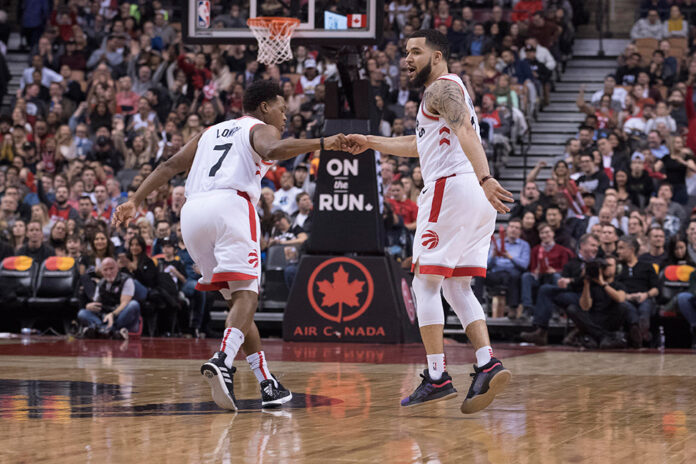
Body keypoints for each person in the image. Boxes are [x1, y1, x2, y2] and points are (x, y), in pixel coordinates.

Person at [113, 80, 350, 410]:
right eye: (282, 109)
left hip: (192, 214)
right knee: (248, 294)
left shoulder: (209, 132)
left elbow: (169, 166)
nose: (285, 116)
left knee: (239, 301)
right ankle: (223, 360)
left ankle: (267, 382)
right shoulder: (259, 128)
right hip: (231, 206)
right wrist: (324, 143)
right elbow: (272, 150)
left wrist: (135, 200)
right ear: (265, 107)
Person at [346, 30, 513, 414]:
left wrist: (486, 177)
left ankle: (437, 376)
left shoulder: (440, 88)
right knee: (456, 286)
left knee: (424, 282)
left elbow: (465, 130)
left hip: (452, 189)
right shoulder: (443, 95)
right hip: (472, 195)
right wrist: (371, 142)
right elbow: (418, 144)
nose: (407, 58)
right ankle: (487, 363)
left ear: (437, 56)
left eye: (416, 52)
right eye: (406, 52)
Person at [564, 256, 628, 349]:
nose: (606, 268)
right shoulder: (592, 285)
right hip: (592, 320)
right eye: (603, 266)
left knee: (623, 306)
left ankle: (595, 337)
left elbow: (620, 299)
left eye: (609, 265)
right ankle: (604, 337)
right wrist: (586, 284)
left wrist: (603, 284)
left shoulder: (619, 285)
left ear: (616, 268)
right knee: (572, 309)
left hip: (609, 320)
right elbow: (585, 307)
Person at [77, 257, 140, 340]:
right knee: (82, 313)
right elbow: (97, 304)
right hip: (106, 316)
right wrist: (89, 306)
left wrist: (112, 314)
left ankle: (101, 329)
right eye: (105, 270)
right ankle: (110, 331)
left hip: (120, 315)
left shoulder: (127, 280)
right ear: (101, 271)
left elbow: (124, 303)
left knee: (133, 305)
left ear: (117, 268)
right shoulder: (100, 284)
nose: (109, 272)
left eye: (111, 268)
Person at [616, 235, 660, 347]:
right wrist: (627, 296)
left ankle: (638, 334)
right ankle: (642, 334)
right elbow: (614, 288)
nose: (618, 251)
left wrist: (646, 294)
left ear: (631, 250)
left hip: (644, 298)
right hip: (625, 298)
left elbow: (656, 289)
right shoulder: (617, 268)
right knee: (626, 307)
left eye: (621, 248)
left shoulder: (647, 266)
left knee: (645, 308)